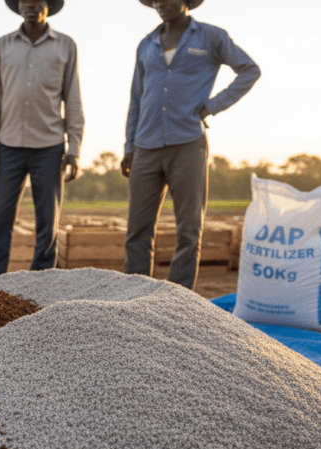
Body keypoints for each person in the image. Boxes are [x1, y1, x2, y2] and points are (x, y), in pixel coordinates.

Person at [122, 0, 259, 289]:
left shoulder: (211, 37)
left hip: (187, 143)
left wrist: (212, 106)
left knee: (189, 230)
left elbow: (249, 70)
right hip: (145, 146)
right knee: (137, 231)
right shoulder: (146, 44)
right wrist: (128, 147)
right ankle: (132, 298)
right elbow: (136, 98)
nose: (161, 3)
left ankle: (177, 300)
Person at [0, 0, 84, 279]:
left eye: (38, 0)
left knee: (48, 224)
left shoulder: (65, 46)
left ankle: (41, 285)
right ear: (19, 5)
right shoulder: (3, 45)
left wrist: (74, 148)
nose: (31, 4)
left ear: (48, 6)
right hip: (8, 146)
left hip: (49, 147)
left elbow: (72, 99)